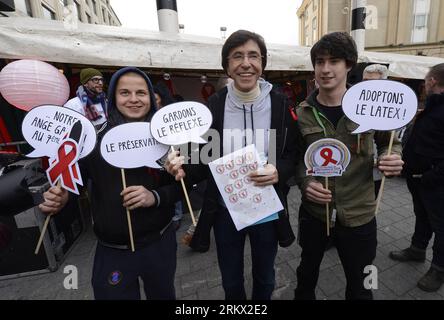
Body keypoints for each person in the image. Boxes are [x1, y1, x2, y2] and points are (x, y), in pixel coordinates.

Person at [166, 30, 299, 300]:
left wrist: (279, 171)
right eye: (237, 56)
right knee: (230, 280)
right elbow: (203, 158)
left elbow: (293, 152)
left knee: (265, 277)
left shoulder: (280, 103)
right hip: (226, 210)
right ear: (227, 65)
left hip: (267, 208)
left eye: (253, 55)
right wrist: (180, 166)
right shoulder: (213, 106)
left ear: (263, 62)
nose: (246, 63)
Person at [39, 67, 180, 300]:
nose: (134, 99)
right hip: (114, 250)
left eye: (141, 93)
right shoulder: (95, 141)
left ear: (151, 98)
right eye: (125, 93)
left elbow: (181, 188)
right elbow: (75, 185)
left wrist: (154, 196)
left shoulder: (167, 140)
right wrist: (62, 198)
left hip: (159, 243)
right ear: (113, 97)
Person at [293, 32, 404, 300]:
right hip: (315, 215)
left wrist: (394, 157)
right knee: (306, 274)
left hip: (360, 214)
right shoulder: (302, 111)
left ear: (349, 65)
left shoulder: (368, 107)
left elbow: (390, 141)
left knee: (364, 280)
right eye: (320, 62)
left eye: (334, 61)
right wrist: (306, 183)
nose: (326, 69)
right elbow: (297, 159)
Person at [389, 63, 444, 292]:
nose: (424, 84)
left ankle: (439, 269)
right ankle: (418, 249)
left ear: (431, 81)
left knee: (441, 226)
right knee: (421, 216)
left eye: (425, 80)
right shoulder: (433, 105)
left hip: (435, 181)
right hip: (419, 177)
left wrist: (432, 175)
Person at [153, 84, 183, 231]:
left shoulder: (168, 115)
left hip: (169, 152)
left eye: (156, 99)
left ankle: (177, 215)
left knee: (174, 177)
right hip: (153, 156)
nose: (153, 102)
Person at [362, 64, 389, 198]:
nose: (367, 85)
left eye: (372, 82)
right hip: (353, 174)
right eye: (365, 81)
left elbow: (389, 143)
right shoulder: (356, 103)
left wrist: (384, 158)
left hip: (374, 172)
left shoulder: (388, 108)